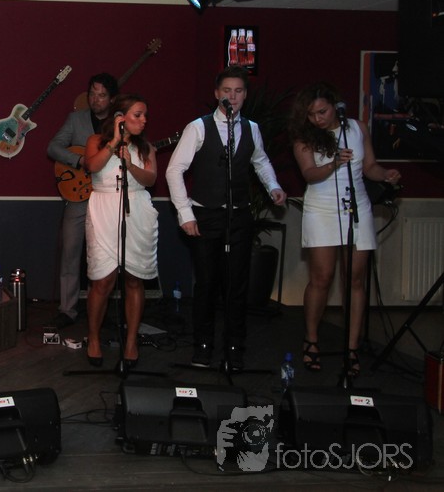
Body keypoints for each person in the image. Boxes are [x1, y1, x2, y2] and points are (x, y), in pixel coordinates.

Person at [166, 65, 286, 370]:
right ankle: (203, 345)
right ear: (217, 93)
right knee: (207, 283)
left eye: (238, 91)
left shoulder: (252, 128)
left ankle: (234, 347)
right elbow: (174, 170)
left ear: (245, 95)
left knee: (236, 285)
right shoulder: (198, 127)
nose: (232, 96)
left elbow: (260, 161)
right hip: (206, 215)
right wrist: (185, 213)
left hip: (239, 215)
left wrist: (273, 186)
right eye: (227, 91)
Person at [289, 82, 400, 378]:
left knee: (355, 279)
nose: (317, 119)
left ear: (335, 106)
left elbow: (370, 166)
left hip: (356, 205)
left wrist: (385, 174)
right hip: (321, 208)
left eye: (322, 112)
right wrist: (334, 163)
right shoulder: (304, 138)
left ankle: (352, 347)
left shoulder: (357, 128)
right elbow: (310, 174)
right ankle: (311, 339)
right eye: (311, 114)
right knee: (322, 277)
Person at [81, 94, 158, 369]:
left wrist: (131, 164)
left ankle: (131, 342)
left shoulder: (145, 147)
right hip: (102, 209)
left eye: (145, 115)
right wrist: (114, 142)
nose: (144, 120)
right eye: (138, 114)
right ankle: (93, 338)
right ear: (120, 118)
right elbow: (92, 166)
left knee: (134, 280)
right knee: (103, 280)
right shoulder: (96, 141)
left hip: (135, 209)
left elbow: (151, 179)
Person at [47, 73, 119, 330]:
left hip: (108, 197)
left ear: (112, 99)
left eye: (101, 95)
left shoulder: (120, 123)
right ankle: (67, 309)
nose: (95, 99)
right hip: (78, 196)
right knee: (70, 250)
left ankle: (101, 309)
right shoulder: (75, 119)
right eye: (92, 94)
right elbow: (53, 147)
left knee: (104, 255)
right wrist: (79, 160)